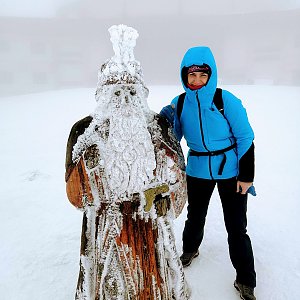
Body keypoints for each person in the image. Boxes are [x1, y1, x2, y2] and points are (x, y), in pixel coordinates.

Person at [65, 25, 190, 300]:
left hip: (148, 228)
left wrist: (164, 189)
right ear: (103, 98)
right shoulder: (84, 132)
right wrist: (91, 167)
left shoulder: (158, 127)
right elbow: (76, 196)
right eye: (116, 94)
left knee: (150, 286)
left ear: (142, 95)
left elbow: (178, 178)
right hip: (105, 229)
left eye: (132, 93)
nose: (124, 101)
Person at [160, 46, 257, 300]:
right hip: (198, 169)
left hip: (231, 171)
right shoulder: (180, 103)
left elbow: (245, 137)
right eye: (191, 76)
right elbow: (172, 137)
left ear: (211, 75)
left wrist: (246, 176)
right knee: (195, 216)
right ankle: (190, 249)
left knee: (236, 226)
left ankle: (246, 279)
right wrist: (163, 120)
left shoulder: (226, 101)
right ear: (184, 76)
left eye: (202, 75)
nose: (197, 81)